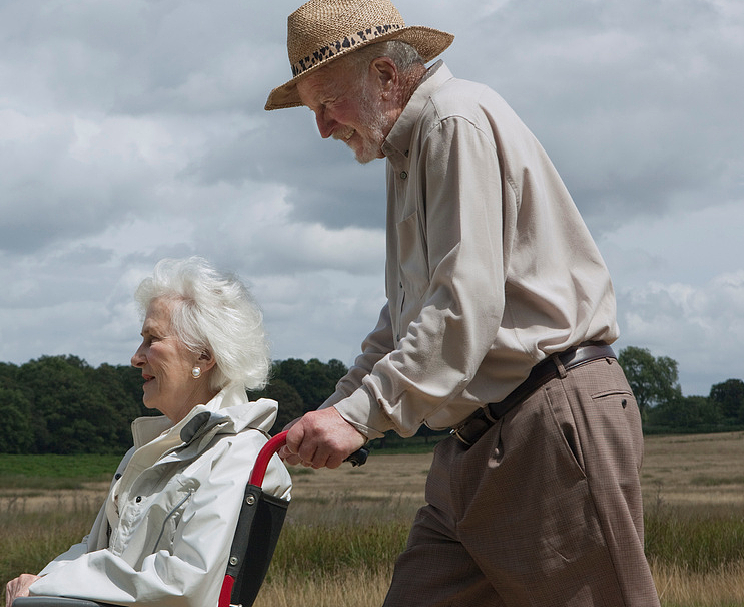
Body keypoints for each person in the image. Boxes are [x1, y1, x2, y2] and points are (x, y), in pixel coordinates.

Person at [264, 0, 659, 605]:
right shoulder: (408, 149)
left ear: (385, 75)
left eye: (326, 102)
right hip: (478, 441)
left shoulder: (454, 122)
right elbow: (404, 319)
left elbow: (464, 306)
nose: (321, 127)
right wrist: (336, 409)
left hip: (547, 421)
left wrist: (358, 419)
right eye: (312, 109)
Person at [0, 257, 291, 607]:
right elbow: (95, 549)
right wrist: (39, 582)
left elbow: (184, 585)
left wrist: (51, 586)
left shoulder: (240, 455)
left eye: (152, 339)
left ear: (203, 355)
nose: (136, 357)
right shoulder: (153, 447)